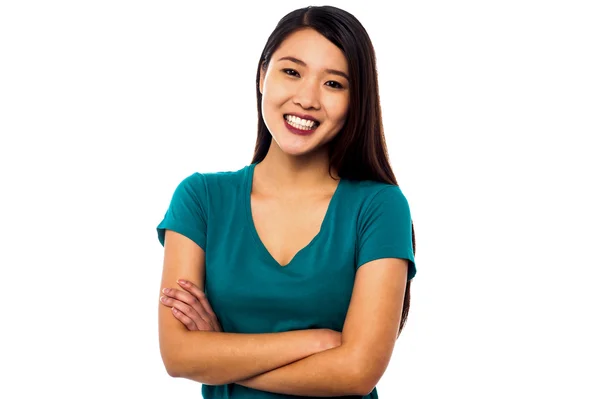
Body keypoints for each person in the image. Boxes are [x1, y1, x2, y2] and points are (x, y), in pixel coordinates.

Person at [156, 5, 417, 398]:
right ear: (263, 76)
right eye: (291, 72)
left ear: (355, 101)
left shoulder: (380, 207)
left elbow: (359, 372)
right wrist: (316, 342)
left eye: (334, 84)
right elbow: (177, 356)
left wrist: (219, 355)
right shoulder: (201, 200)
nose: (307, 99)